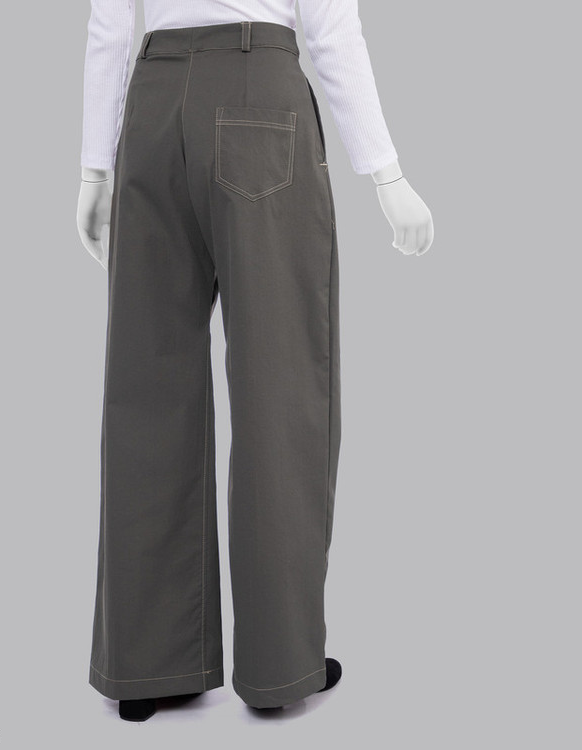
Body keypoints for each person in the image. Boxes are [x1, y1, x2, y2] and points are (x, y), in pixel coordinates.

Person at [76, 1, 433, 723]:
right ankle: (280, 665)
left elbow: (110, 24)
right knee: (281, 388)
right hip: (257, 97)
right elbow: (330, 26)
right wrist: (386, 172)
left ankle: (147, 665)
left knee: (147, 389)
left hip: (151, 107)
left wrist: (94, 167)